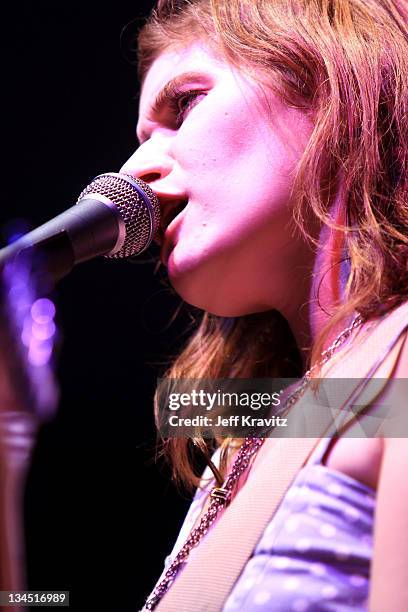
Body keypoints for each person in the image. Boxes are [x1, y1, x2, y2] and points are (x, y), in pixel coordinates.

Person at [120, 0, 408, 609]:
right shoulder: (248, 433)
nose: (133, 169)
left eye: (186, 103)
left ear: (332, 78)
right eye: (142, 139)